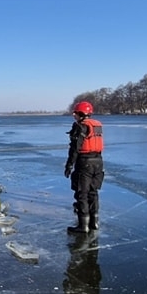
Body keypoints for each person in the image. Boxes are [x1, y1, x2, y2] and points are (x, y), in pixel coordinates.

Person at [63, 100, 104, 234]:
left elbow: (75, 148)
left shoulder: (80, 126)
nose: (74, 115)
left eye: (75, 113)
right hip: (98, 161)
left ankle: (83, 226)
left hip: (85, 162)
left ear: (80, 113)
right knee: (93, 192)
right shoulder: (96, 125)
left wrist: (69, 165)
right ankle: (94, 222)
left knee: (82, 193)